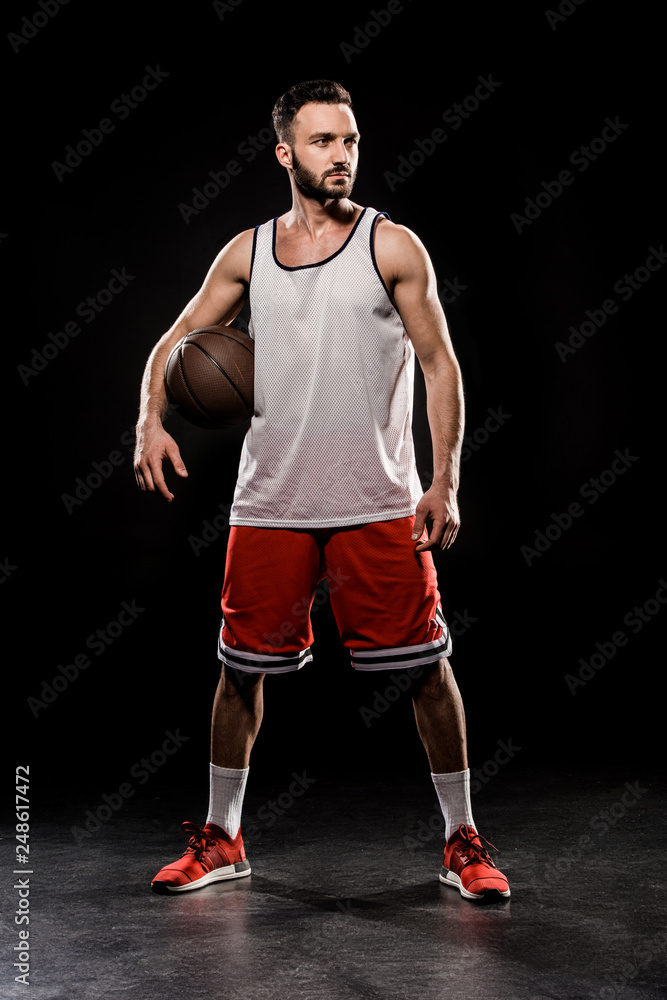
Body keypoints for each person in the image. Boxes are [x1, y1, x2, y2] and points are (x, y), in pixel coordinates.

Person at [133, 80, 510, 902]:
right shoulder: (247, 252)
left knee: (426, 670)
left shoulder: (393, 246)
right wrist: (148, 423)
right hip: (269, 502)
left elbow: (440, 365)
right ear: (284, 153)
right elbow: (172, 341)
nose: (341, 155)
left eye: (349, 140)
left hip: (377, 499)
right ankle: (223, 837)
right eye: (321, 142)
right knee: (238, 673)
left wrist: (443, 477)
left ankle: (461, 841)